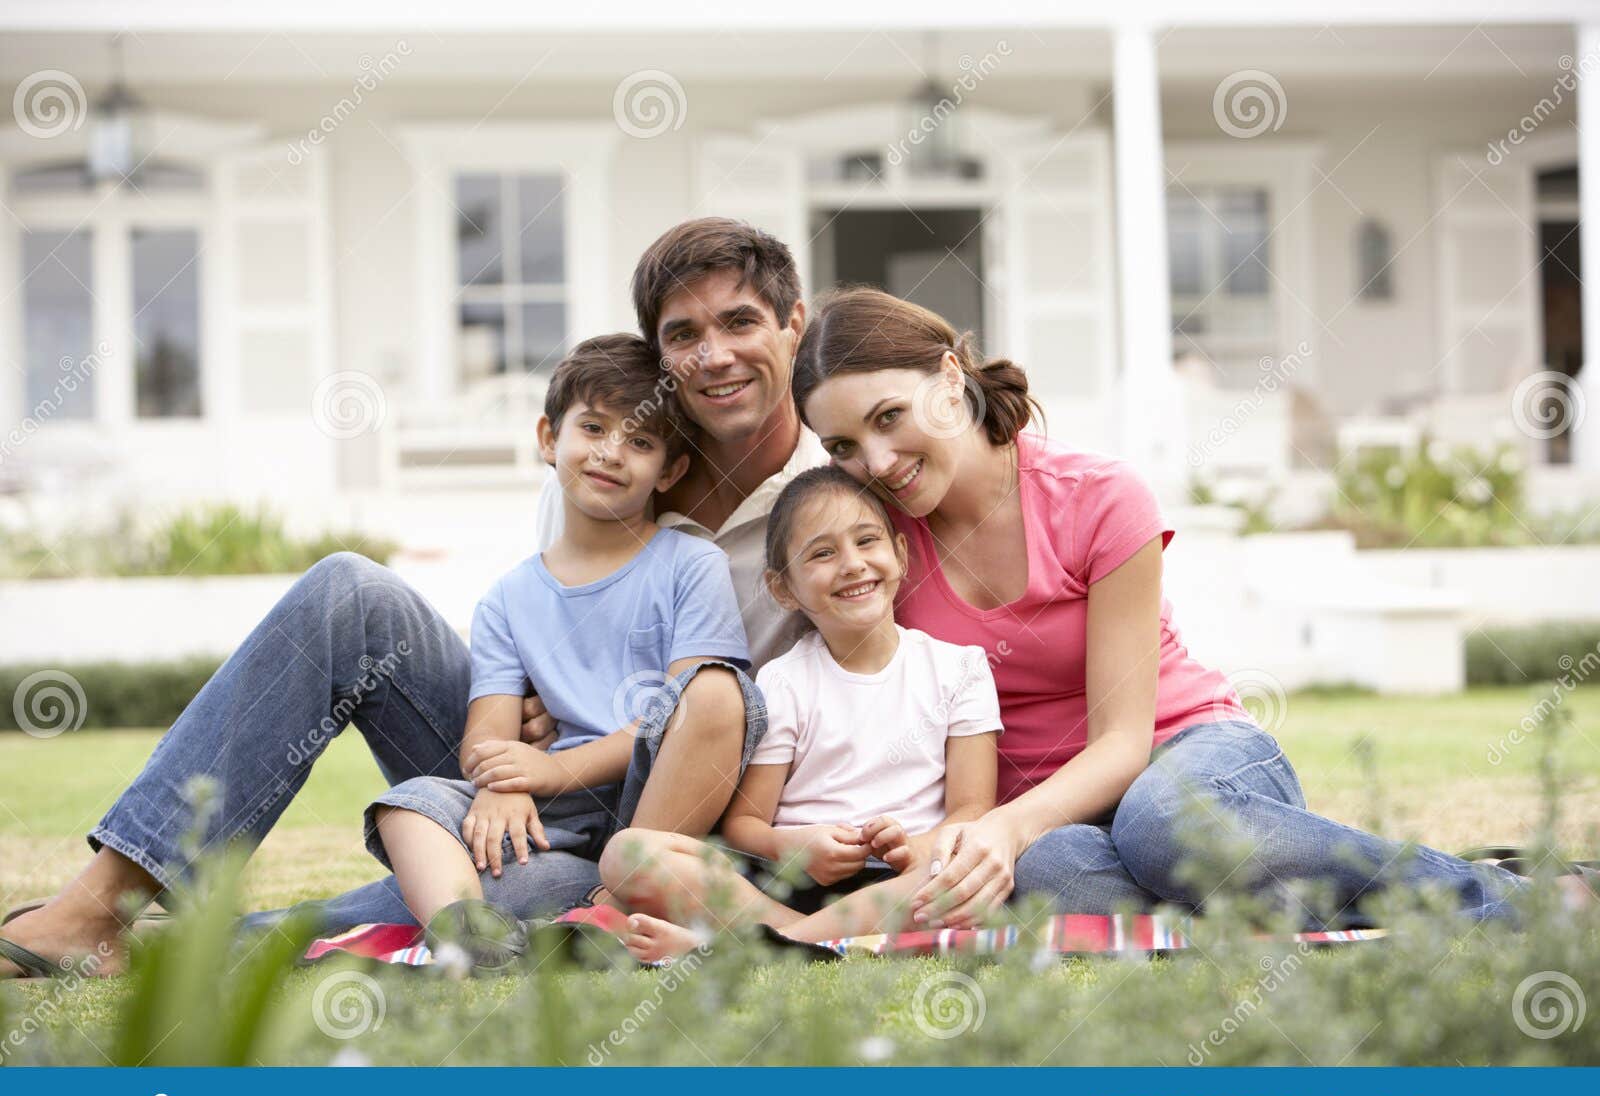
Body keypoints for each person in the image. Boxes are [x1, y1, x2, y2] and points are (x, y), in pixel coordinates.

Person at [0, 216, 826, 980]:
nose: (714, 355)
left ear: (793, 324)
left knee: (501, 900)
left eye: (741, 322)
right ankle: (99, 906)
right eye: (684, 334)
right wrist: (511, 751)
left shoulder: (840, 494)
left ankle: (183, 946)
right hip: (544, 786)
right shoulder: (597, 485)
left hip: (689, 818)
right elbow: (537, 652)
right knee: (347, 592)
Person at [789, 286, 1575, 932]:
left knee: (1163, 825)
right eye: (844, 447)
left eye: (889, 417)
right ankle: (1263, 907)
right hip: (1056, 819)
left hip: (1187, 757)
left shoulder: (1097, 497)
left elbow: (1127, 742)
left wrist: (1003, 824)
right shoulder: (879, 545)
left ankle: (1502, 898)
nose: (877, 462)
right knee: (1054, 873)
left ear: (948, 379)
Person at [363, 334, 757, 955]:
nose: (611, 453)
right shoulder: (508, 597)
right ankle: (471, 935)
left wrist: (553, 767)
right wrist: (502, 782)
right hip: (554, 828)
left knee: (714, 691)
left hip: (656, 814)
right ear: (549, 438)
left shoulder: (691, 565)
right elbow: (487, 737)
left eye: (641, 442)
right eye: (594, 428)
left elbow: (694, 714)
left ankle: (592, 902)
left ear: (671, 470)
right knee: (406, 807)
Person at [598, 466, 1000, 963]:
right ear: (783, 589)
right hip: (784, 887)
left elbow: (974, 810)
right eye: (822, 553)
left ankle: (746, 948)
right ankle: (797, 943)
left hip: (899, 885)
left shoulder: (959, 668)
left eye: (866, 540)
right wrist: (797, 848)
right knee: (626, 853)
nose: (852, 564)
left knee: (959, 869)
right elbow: (745, 823)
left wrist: (915, 846)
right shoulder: (784, 680)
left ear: (900, 554)